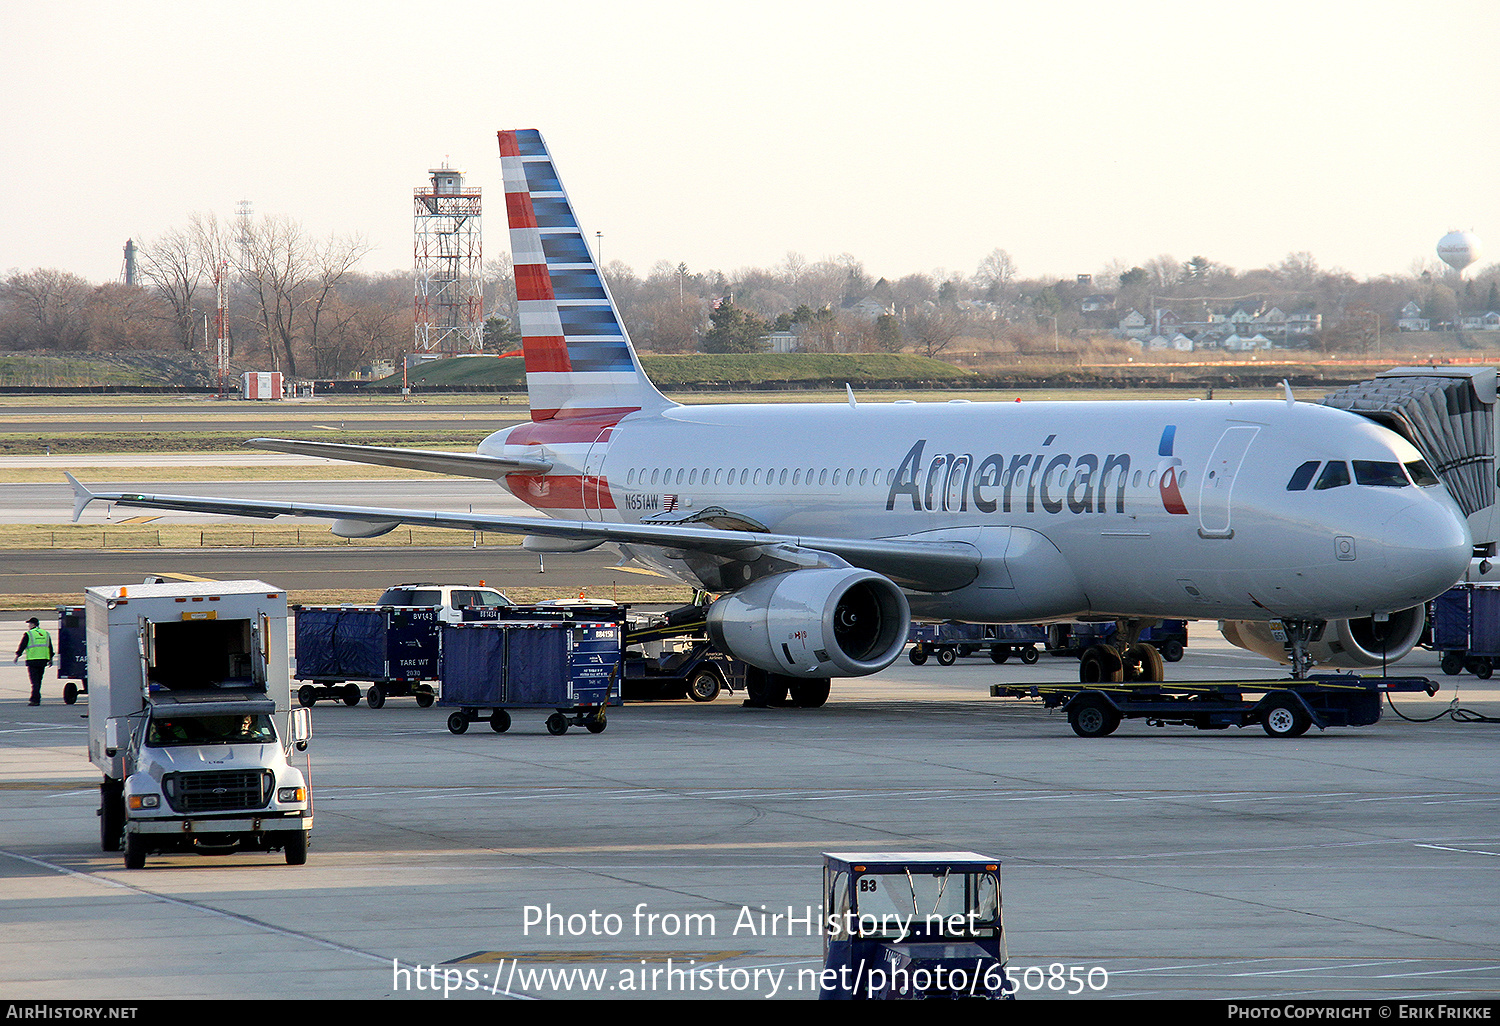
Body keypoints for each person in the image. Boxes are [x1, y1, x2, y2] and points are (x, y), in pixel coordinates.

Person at [15, 616, 54, 707]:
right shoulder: (45, 633)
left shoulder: (29, 634)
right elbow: (50, 647)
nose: (28, 625)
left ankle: (35, 700)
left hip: (32, 660)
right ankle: (36, 698)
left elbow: (22, 645)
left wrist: (17, 655)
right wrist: (50, 659)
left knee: (34, 682)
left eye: (29, 624)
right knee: (38, 681)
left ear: (33, 624)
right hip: (43, 660)